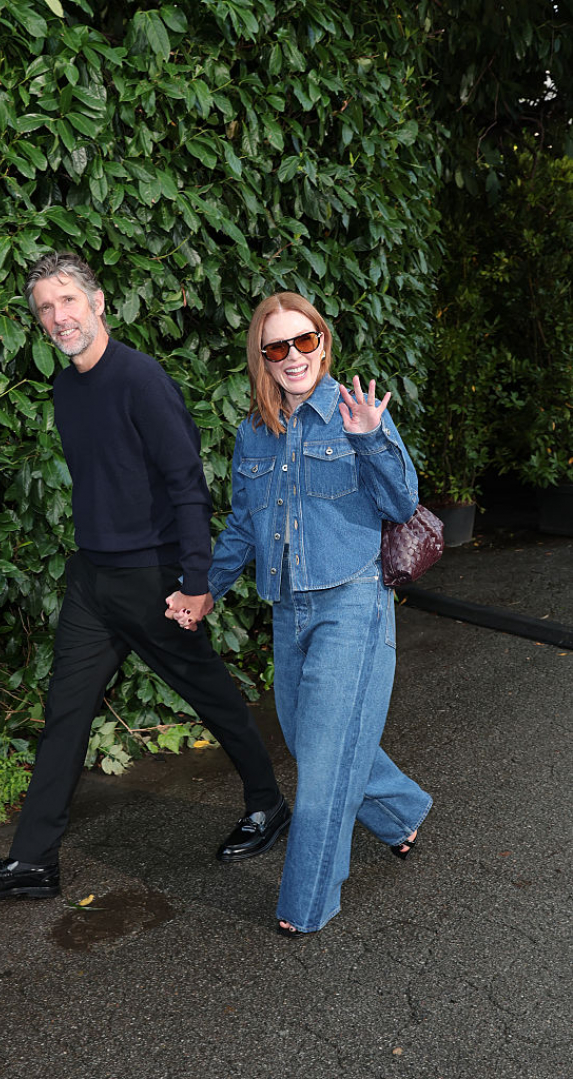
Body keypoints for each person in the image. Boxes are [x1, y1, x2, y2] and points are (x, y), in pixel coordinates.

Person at [0, 252, 289, 900]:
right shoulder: (65, 388)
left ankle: (267, 803)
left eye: (67, 301)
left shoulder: (140, 379)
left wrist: (197, 582)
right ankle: (32, 861)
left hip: (154, 579)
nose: (57, 316)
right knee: (64, 716)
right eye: (44, 307)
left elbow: (187, 485)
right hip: (92, 581)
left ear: (98, 302)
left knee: (213, 695)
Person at [167, 292, 432, 936]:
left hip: (353, 601)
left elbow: (402, 502)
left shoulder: (356, 415)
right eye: (276, 348)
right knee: (316, 737)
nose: (293, 358)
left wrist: (371, 440)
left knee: (320, 764)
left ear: (323, 341)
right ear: (261, 358)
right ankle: (401, 813)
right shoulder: (256, 430)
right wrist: (205, 588)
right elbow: (243, 526)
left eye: (304, 342)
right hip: (289, 609)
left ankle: (308, 901)